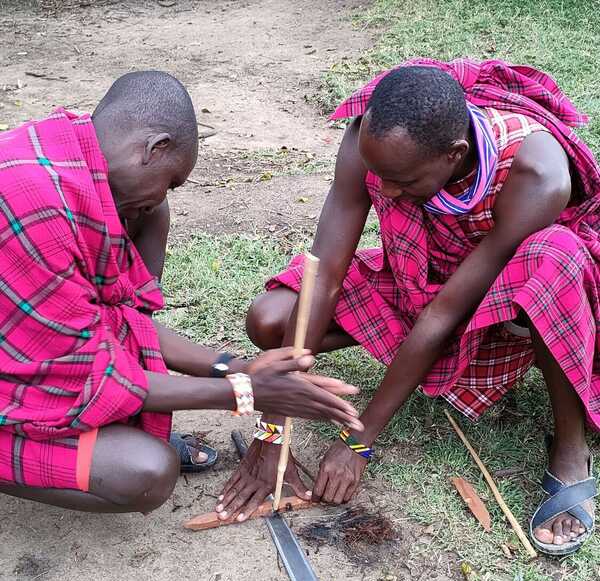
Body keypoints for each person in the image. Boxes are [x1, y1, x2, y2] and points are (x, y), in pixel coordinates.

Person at [219, 58, 600, 556]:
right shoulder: (371, 142)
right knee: (270, 317)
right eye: (380, 177)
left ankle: (570, 449)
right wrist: (273, 430)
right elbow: (326, 271)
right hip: (416, 275)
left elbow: (443, 313)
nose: (387, 191)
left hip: (510, 301)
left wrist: (358, 439)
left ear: (453, 154)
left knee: (555, 255)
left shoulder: (535, 173)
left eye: (403, 182)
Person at [0, 70, 363, 515]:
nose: (162, 199)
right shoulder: (37, 208)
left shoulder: (72, 152)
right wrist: (247, 392)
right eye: (171, 182)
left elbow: (120, 323)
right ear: (156, 148)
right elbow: (95, 375)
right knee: (145, 471)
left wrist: (237, 367)